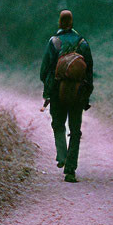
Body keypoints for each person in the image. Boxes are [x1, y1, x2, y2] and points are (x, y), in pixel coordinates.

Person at [40, 10, 93, 182]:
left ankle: (62, 156)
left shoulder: (54, 42)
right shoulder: (82, 43)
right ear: (72, 23)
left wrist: (48, 90)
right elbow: (89, 71)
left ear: (59, 23)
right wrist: (86, 94)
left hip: (57, 92)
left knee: (58, 124)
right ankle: (70, 170)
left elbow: (44, 70)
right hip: (77, 93)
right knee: (75, 130)